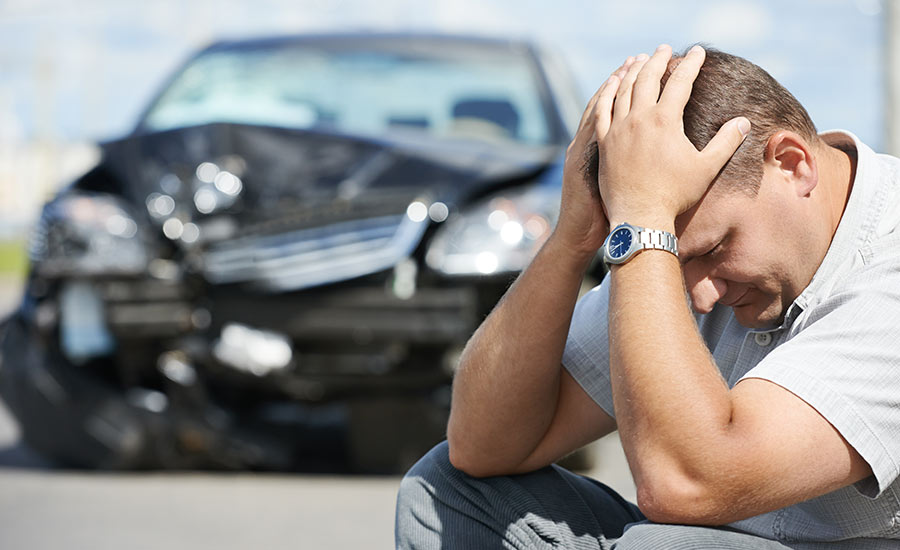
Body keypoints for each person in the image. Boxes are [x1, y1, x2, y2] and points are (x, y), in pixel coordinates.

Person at [395, 44, 900, 549]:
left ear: (792, 165)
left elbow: (683, 485)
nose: (701, 296)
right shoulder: (662, 238)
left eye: (716, 246)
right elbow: (483, 444)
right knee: (445, 492)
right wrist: (573, 237)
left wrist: (647, 226)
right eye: (676, 263)